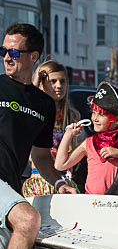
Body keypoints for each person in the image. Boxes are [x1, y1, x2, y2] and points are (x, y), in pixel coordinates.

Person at [1, 23, 78, 249]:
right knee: (28, 218)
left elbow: (41, 158)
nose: (6, 57)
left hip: (7, 186)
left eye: (13, 52)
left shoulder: (43, 105)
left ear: (33, 56)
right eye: (3, 50)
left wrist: (60, 183)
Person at [55, 82, 118, 194]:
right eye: (93, 113)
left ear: (117, 120)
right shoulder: (89, 143)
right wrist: (68, 135)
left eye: (101, 115)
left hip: (116, 202)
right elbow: (60, 164)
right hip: (92, 202)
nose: (95, 119)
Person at [22, 59, 80, 196]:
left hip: (65, 178)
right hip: (40, 180)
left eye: (63, 81)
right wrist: (35, 82)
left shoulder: (72, 115)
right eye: (53, 81)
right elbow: (26, 103)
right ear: (43, 83)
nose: (59, 85)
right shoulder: (35, 111)